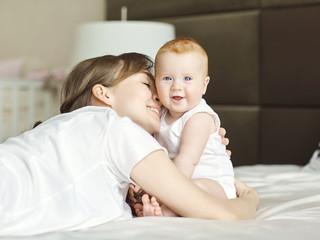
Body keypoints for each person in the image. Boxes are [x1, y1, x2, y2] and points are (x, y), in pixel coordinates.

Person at [0, 53, 258, 236]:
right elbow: (224, 214)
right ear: (104, 93)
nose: (159, 95)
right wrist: (250, 197)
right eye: (147, 84)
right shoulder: (114, 127)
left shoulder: (69, 131)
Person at [134, 37, 236, 217]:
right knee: (182, 193)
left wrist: (163, 193)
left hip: (216, 185)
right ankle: (159, 208)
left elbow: (187, 160)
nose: (176, 86)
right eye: (167, 78)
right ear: (156, 81)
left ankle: (164, 212)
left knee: (196, 189)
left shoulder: (199, 117)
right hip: (176, 182)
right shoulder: (160, 114)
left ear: (204, 85)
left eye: (187, 78)